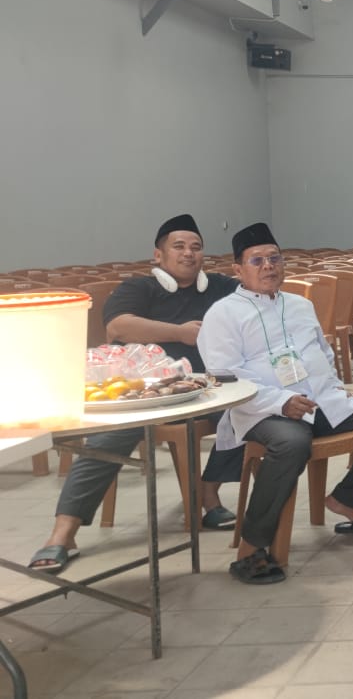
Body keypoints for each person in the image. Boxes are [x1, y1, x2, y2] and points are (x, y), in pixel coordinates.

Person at [29, 214, 242, 575]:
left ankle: (208, 495)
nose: (189, 253)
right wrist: (179, 333)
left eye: (196, 247)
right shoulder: (138, 288)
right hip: (148, 392)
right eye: (179, 246)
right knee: (107, 440)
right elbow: (118, 327)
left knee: (249, 412)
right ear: (158, 256)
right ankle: (63, 535)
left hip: (207, 387)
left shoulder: (219, 287)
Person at [198, 223, 353, 585]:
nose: (268, 266)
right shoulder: (223, 314)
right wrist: (281, 402)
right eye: (257, 260)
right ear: (238, 270)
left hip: (321, 402)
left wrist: (332, 387)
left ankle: (347, 500)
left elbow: (322, 352)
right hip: (260, 410)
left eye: (274, 258)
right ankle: (251, 547)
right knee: (292, 443)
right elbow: (226, 377)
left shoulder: (300, 304)